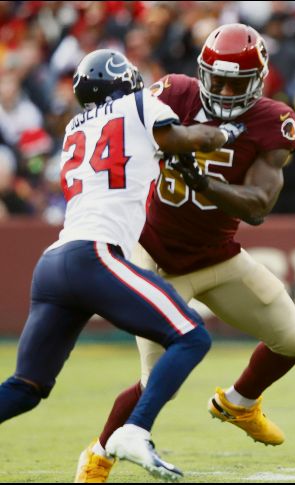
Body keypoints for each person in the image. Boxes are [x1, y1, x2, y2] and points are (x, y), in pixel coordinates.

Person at [75, 24, 295, 482]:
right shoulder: (175, 94)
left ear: (259, 81)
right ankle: (99, 456)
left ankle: (238, 403)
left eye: (235, 83)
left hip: (216, 255)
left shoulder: (272, 121)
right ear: (200, 72)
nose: (223, 91)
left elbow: (261, 205)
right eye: (217, 79)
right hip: (152, 255)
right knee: (155, 381)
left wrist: (204, 182)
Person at [0, 49, 244, 481]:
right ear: (124, 80)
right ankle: (136, 430)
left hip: (54, 262)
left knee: (25, 388)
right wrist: (223, 135)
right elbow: (182, 140)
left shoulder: (76, 128)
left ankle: (131, 430)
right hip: (94, 254)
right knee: (191, 336)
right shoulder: (138, 103)